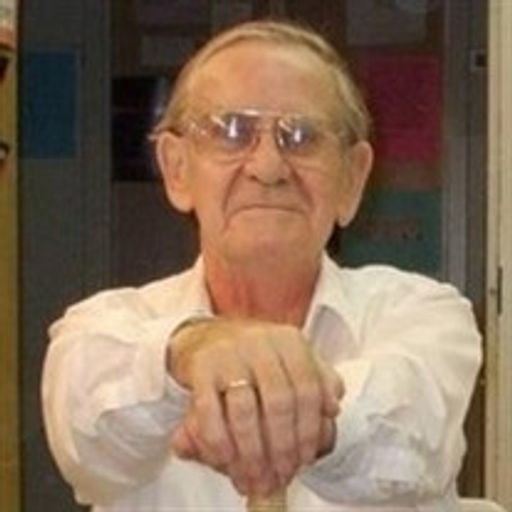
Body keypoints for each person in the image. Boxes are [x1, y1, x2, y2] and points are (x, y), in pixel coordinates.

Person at [42, 19, 481, 512]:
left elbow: (411, 441)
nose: (268, 167)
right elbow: (89, 446)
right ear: (177, 168)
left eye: (303, 136)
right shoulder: (103, 327)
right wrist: (193, 351)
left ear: (352, 179)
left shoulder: (425, 317)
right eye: (232, 131)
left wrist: (275, 410)